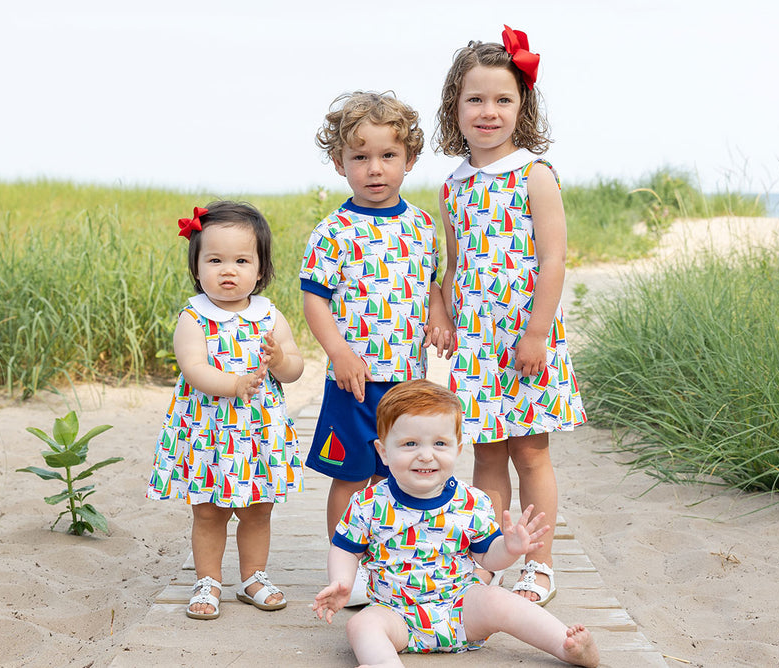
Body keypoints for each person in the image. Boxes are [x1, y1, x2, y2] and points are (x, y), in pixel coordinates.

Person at [433, 25, 584, 606]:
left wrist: (537, 332)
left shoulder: (534, 174)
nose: (489, 111)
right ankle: (491, 561)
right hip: (475, 341)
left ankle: (539, 565)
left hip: (526, 335)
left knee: (530, 450)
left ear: (523, 107)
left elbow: (553, 259)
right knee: (486, 453)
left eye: (503, 99)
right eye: (476, 99)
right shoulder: (454, 184)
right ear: (456, 106)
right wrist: (441, 311)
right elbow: (453, 264)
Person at [311, 380, 598, 666]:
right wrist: (342, 580)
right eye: (410, 444)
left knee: (499, 600)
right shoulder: (368, 503)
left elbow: (487, 557)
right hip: (395, 614)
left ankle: (564, 644)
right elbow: (346, 550)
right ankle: (383, 662)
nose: (426, 454)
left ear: (458, 448)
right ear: (384, 451)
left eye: (440, 443)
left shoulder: (471, 502)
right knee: (361, 625)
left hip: (460, 608)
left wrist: (508, 548)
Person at [300, 90, 450, 605]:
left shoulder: (422, 226)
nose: (374, 168)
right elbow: (314, 299)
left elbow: (431, 281)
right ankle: (347, 571)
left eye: (388, 155)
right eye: (359, 157)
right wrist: (339, 353)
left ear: (409, 159)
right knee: (352, 474)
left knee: (402, 473)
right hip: (355, 379)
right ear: (340, 164)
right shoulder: (333, 231)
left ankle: (394, 562)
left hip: (408, 381)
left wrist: (437, 313)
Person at [148, 201, 305, 620]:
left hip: (256, 433)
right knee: (209, 510)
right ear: (197, 268)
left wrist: (279, 360)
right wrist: (234, 385)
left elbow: (294, 367)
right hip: (208, 432)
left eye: (241, 260)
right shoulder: (194, 317)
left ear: (261, 269)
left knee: (257, 509)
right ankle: (209, 580)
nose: (228, 270)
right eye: (215, 260)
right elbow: (194, 369)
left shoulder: (269, 315)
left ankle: (253, 577)